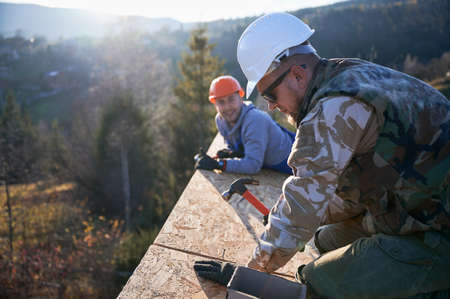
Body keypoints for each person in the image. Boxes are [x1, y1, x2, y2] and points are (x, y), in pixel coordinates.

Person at [194, 12, 450, 298]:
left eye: (270, 95)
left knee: (321, 283)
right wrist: (297, 218)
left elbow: (301, 207)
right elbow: (345, 194)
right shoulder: (351, 74)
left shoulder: (332, 110)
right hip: (420, 206)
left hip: (438, 231)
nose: (271, 108)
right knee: (324, 242)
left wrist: (247, 276)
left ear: (297, 74)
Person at [194, 75, 295, 174]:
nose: (227, 107)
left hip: (293, 160)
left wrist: (218, 164)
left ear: (240, 98)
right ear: (215, 104)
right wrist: (232, 153)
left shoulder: (254, 120)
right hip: (268, 162)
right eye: (221, 102)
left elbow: (253, 165)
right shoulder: (221, 121)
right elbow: (238, 147)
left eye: (231, 99)